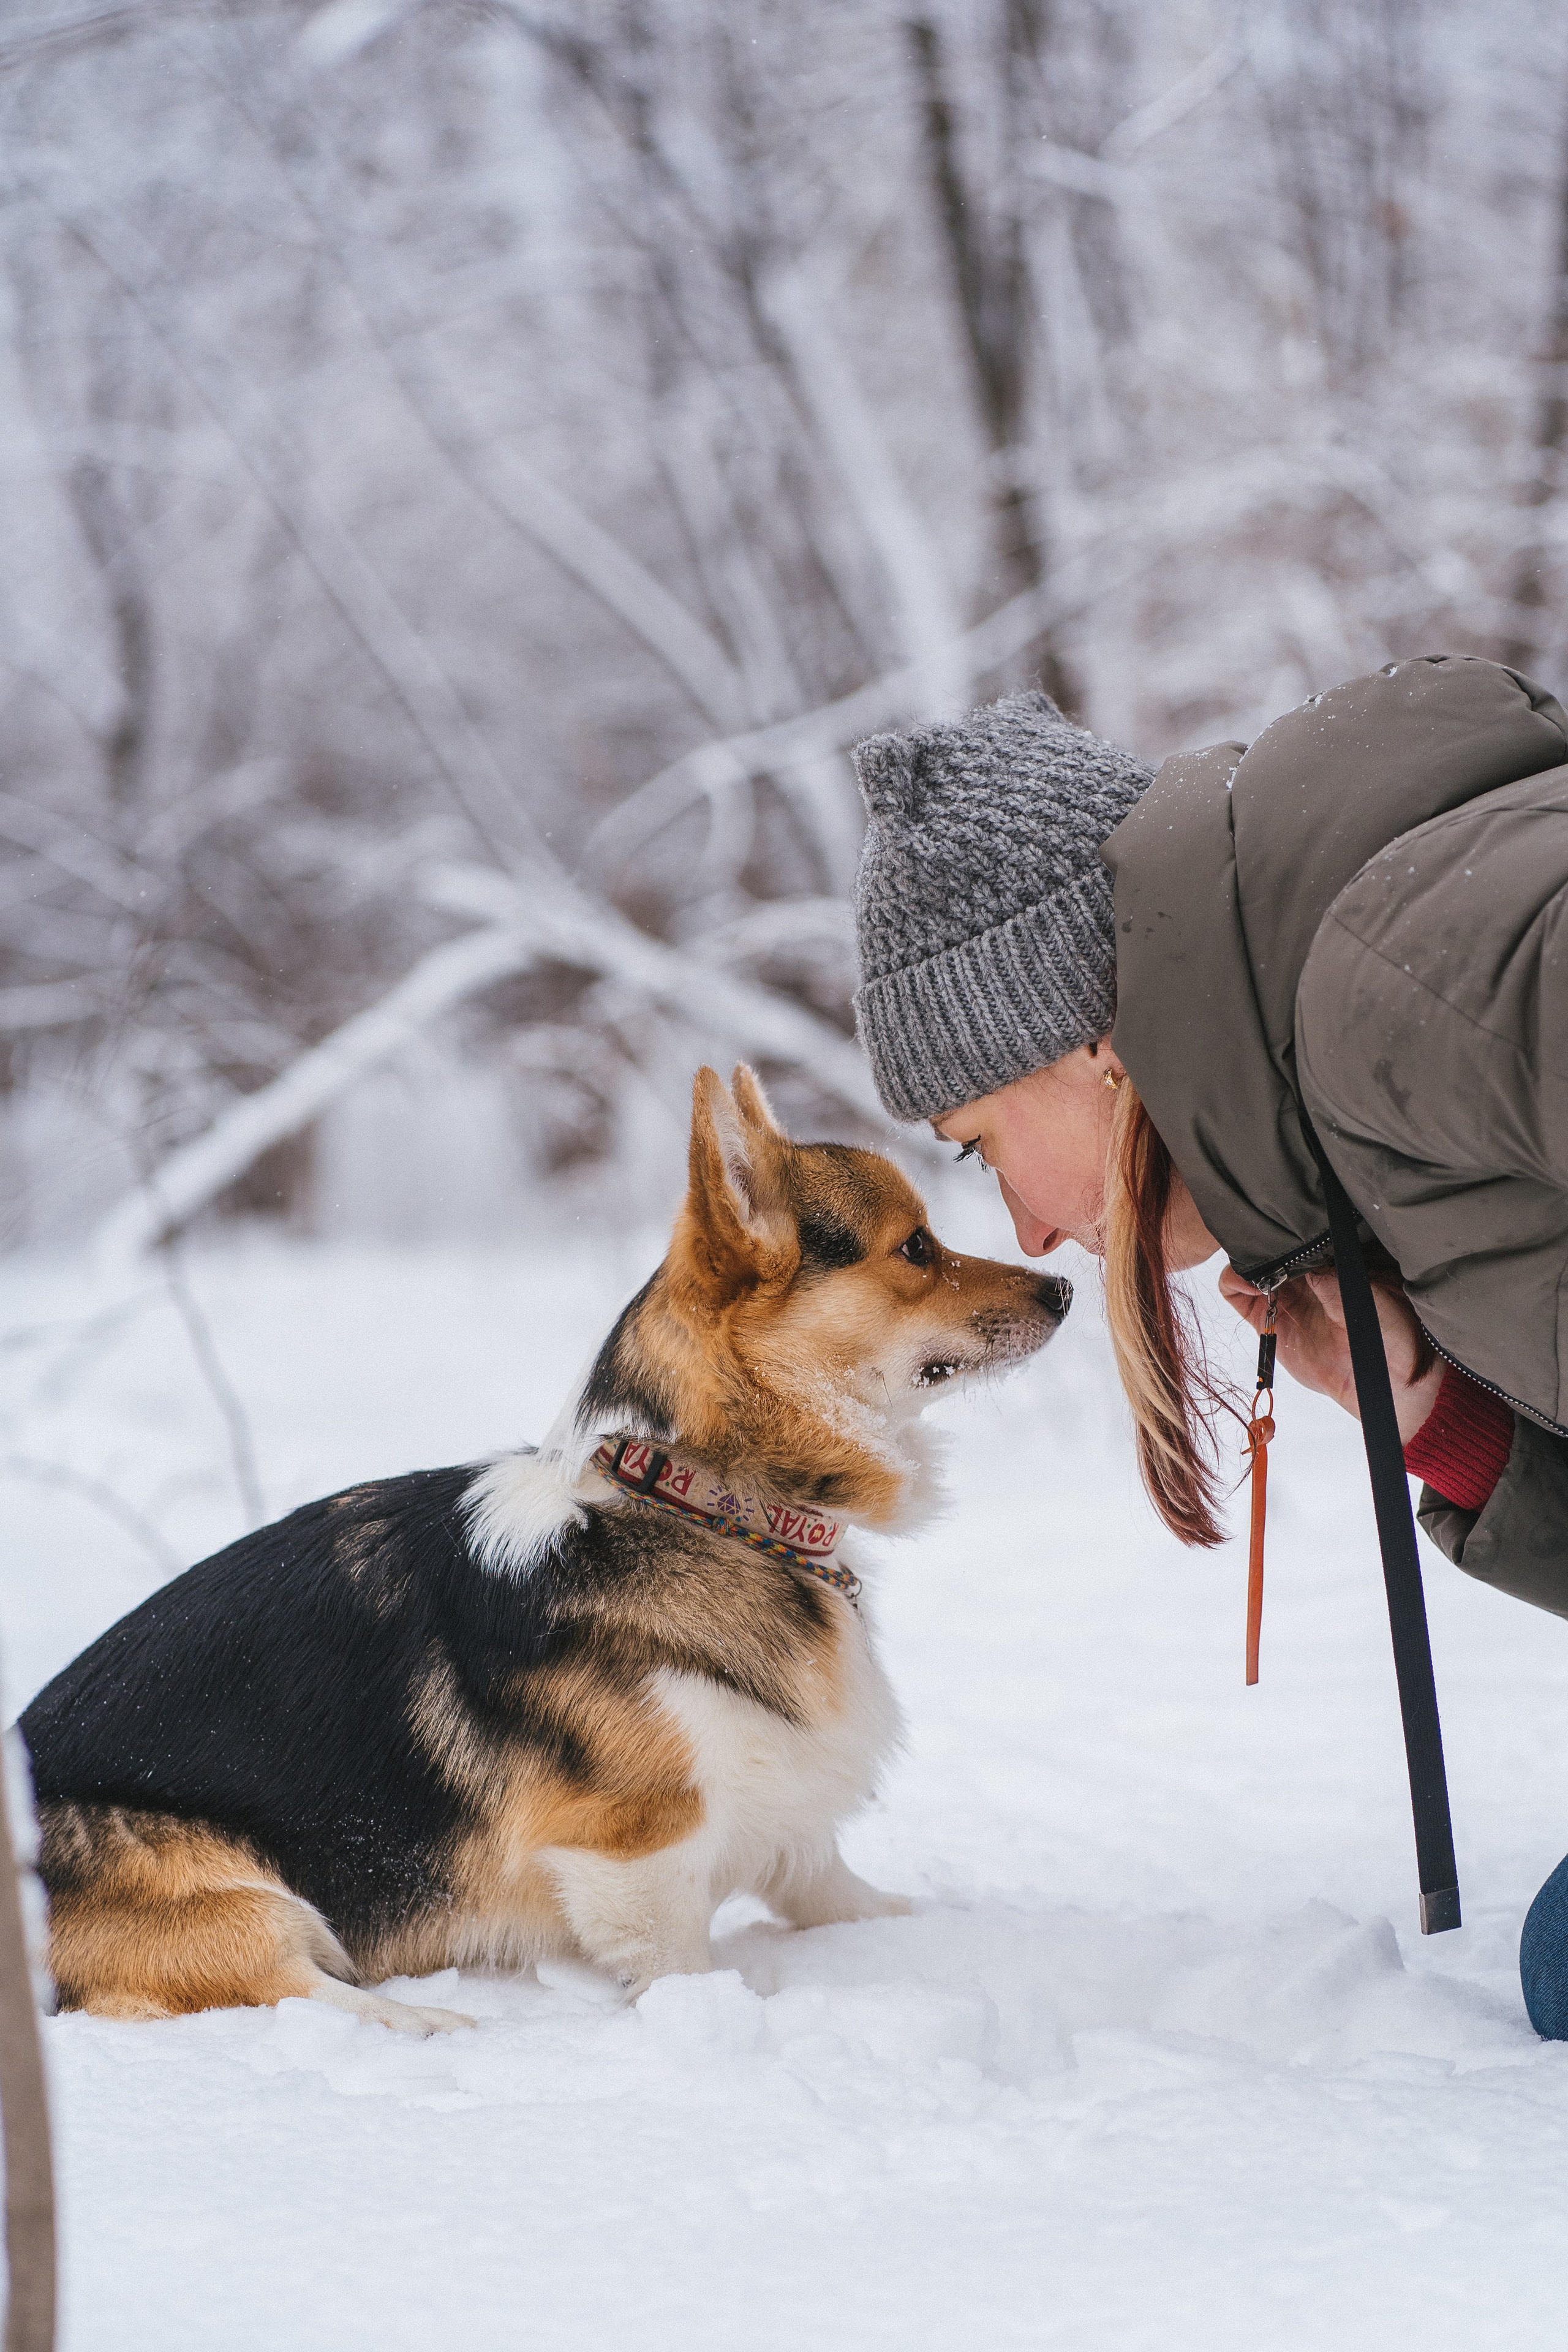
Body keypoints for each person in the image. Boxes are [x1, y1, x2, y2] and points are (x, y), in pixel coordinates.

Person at [848, 654, 1568, 2036]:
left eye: (980, 1147)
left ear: (1091, 1050)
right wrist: (1432, 1415)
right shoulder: (1344, 1084)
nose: (1031, 1232)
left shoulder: (1397, 981)